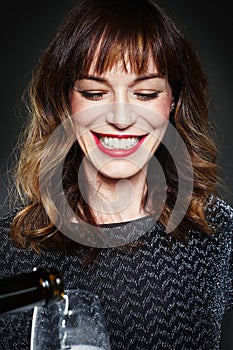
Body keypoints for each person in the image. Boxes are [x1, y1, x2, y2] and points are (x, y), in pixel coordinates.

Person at [0, 0, 232, 349]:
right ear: (65, 102)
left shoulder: (217, 234)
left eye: (146, 93)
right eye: (94, 93)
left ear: (173, 101)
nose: (121, 118)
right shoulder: (10, 248)